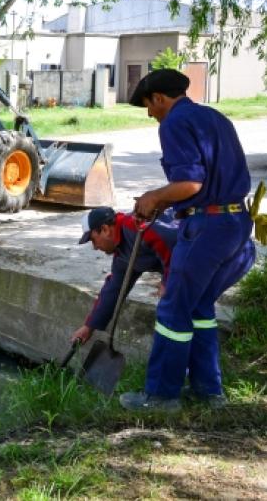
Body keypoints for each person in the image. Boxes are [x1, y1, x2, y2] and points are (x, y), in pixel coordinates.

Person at [124, 68, 256, 412]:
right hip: (236, 223)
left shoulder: (173, 123)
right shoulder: (215, 117)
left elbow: (191, 184)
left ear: (159, 98)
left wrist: (153, 197)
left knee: (172, 309)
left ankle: (161, 396)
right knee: (198, 308)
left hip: (206, 227)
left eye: (148, 106)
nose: (150, 114)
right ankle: (208, 391)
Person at [70, 206, 178, 346]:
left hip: (197, 253)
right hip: (182, 264)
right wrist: (89, 327)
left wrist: (167, 281)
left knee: (174, 308)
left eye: (93, 240)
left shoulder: (138, 228)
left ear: (105, 230)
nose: (95, 247)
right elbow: (114, 289)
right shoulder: (122, 253)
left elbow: (172, 243)